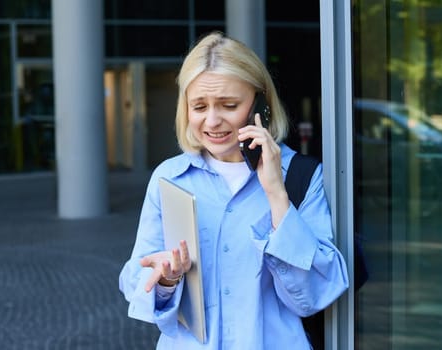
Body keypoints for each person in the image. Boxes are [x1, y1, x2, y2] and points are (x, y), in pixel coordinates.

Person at [118, 31, 349, 349]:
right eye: (199, 106)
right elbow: (136, 280)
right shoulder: (169, 178)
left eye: (228, 105)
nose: (212, 121)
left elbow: (315, 295)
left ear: (261, 104)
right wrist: (166, 279)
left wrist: (276, 194)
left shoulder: (301, 177)